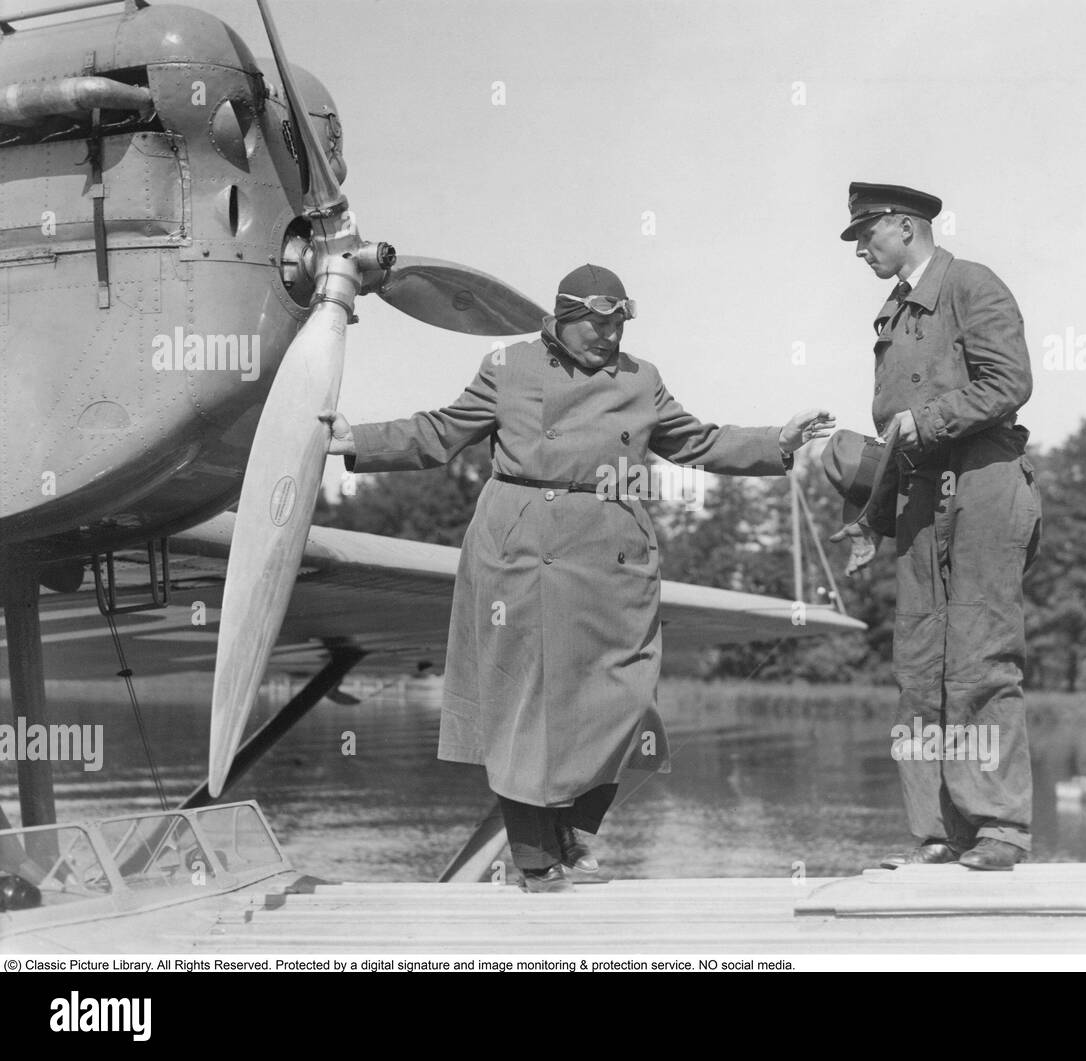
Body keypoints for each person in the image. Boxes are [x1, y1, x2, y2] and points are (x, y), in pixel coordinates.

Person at [322, 264, 834, 891]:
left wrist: (778, 440)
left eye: (618, 326)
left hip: (613, 549)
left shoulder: (641, 378)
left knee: (628, 697)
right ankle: (535, 857)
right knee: (521, 701)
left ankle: (572, 828)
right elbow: (442, 431)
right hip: (522, 544)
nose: (609, 337)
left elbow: (696, 442)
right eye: (596, 325)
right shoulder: (508, 366)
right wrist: (357, 439)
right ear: (561, 319)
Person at [827, 183, 1041, 871]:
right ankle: (939, 832)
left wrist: (930, 419)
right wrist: (870, 519)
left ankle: (999, 828)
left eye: (866, 234)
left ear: (904, 225)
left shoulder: (972, 284)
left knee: (981, 656)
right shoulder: (892, 311)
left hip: (983, 482)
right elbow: (897, 434)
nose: (859, 249)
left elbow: (1009, 382)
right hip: (919, 493)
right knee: (918, 669)